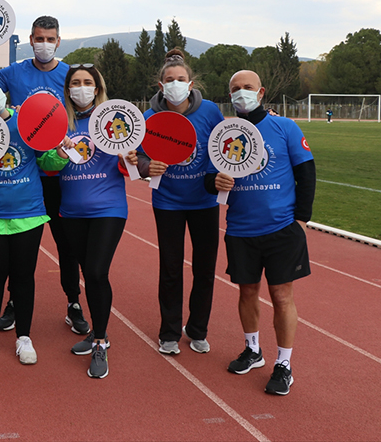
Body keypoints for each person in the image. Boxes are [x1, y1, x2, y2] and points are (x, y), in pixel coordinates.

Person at [0, 15, 90, 336]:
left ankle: (73, 301)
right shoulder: (14, 73)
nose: (44, 44)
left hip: (57, 171)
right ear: (31, 39)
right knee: (17, 248)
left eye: (50, 39)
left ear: (58, 41)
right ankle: (13, 302)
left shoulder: (69, 74)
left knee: (67, 245)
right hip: (24, 172)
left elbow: (86, 105)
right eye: (39, 38)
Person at [206, 70, 316, 396]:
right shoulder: (222, 133)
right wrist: (215, 182)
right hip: (241, 229)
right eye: (236, 89)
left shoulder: (284, 127)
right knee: (247, 293)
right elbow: (208, 179)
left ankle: (284, 364)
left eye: (248, 88)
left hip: (282, 228)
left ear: (261, 92)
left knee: (282, 297)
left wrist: (301, 221)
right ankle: (253, 350)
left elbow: (306, 173)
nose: (242, 93)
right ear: (230, 96)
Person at [0, 77, 70, 366]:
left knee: (23, 278)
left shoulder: (28, 121)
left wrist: (58, 155)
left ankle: (24, 337)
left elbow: (46, 162)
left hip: (29, 214)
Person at [134, 50, 224, 356]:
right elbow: (137, 160)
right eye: (170, 80)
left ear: (191, 82)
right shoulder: (149, 118)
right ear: (161, 85)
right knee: (171, 268)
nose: (175, 84)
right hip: (168, 202)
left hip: (205, 202)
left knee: (204, 268)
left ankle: (198, 329)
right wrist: (148, 167)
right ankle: (169, 331)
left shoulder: (210, 111)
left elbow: (223, 146)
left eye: (181, 79)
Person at [59, 64, 134, 379]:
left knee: (96, 271)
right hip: (71, 210)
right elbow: (48, 165)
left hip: (108, 208)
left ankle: (101, 341)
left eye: (87, 82)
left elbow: (137, 164)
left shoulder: (112, 120)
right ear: (67, 89)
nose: (81, 87)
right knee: (85, 273)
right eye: (75, 82)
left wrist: (130, 158)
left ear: (98, 87)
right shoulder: (60, 123)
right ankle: (95, 330)